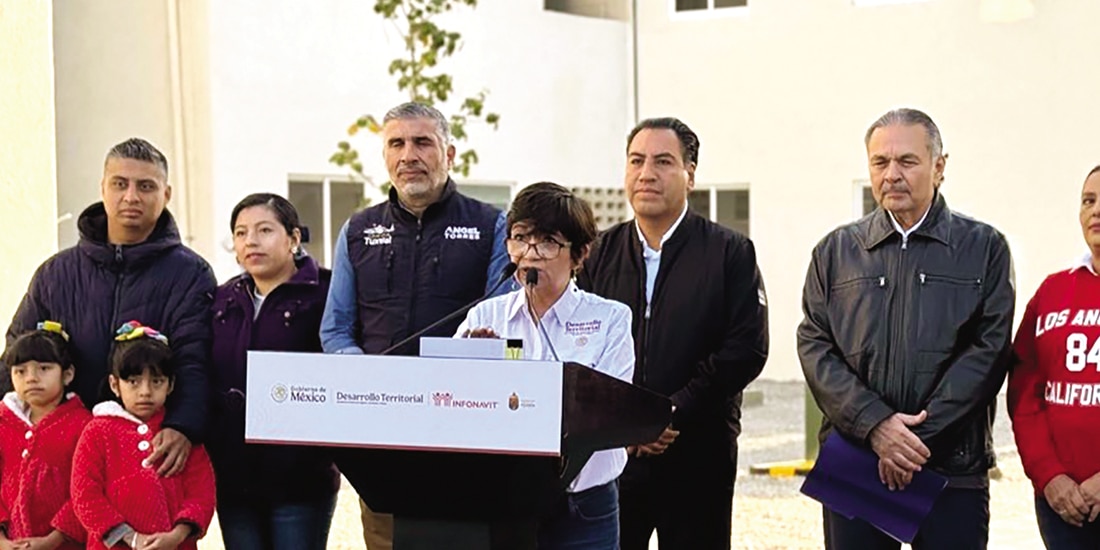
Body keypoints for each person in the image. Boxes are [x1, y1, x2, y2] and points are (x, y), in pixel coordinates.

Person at [796, 108, 1015, 549]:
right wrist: (875, 427)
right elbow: (816, 346)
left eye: (907, 162)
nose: (892, 174)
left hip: (950, 464)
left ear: (939, 166)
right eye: (880, 162)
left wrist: (911, 441)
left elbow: (988, 351)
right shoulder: (836, 252)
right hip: (856, 459)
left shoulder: (985, 248)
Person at [320, 101, 511, 549]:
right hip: (383, 435)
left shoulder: (492, 225)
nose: (409, 155)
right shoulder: (357, 230)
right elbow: (335, 330)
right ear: (385, 156)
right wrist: (370, 376)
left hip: (465, 429)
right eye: (396, 144)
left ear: (450, 154)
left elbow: (506, 327)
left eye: (422, 142)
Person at [577, 117, 769, 550]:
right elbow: (581, 347)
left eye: (663, 162)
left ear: (690, 175)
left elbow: (745, 350)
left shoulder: (730, 252)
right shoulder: (598, 254)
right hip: (615, 457)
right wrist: (624, 424)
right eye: (636, 161)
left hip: (697, 452)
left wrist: (668, 414)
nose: (647, 174)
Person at [6, 138, 216, 478]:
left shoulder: (192, 274)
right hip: (60, 461)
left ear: (166, 194)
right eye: (120, 184)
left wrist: (184, 426)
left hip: (150, 458)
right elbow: (16, 355)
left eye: (146, 186)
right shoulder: (55, 274)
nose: (131, 196)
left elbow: (196, 358)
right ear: (103, 188)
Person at [457, 182, 633, 550]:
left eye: (548, 241)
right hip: (504, 500)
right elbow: (450, 402)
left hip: (584, 505)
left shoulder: (610, 319)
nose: (530, 254)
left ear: (579, 254)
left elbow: (607, 409)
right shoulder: (484, 317)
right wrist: (473, 369)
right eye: (520, 238)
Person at [207, 194, 338, 549]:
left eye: (265, 230)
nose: (251, 241)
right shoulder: (222, 299)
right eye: (241, 233)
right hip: (234, 475)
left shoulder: (326, 294)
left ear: (294, 239)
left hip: (300, 476)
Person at [1009, 165, 1100, 548]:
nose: (1095, 211)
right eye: (1088, 201)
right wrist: (1049, 477)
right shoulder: (1053, 291)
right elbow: (1025, 396)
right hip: (1062, 502)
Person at [71, 322, 216, 550]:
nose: (145, 392)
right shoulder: (97, 432)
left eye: (156, 381)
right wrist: (130, 537)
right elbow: (84, 494)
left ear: (170, 385)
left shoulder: (178, 436)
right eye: (133, 382)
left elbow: (202, 493)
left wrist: (177, 536)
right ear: (114, 384)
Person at [0, 323, 90, 550]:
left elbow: (87, 489)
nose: (31, 378)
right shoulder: (3, 424)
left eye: (43, 368)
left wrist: (54, 539)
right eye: (21, 371)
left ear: (67, 374)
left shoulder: (84, 426)